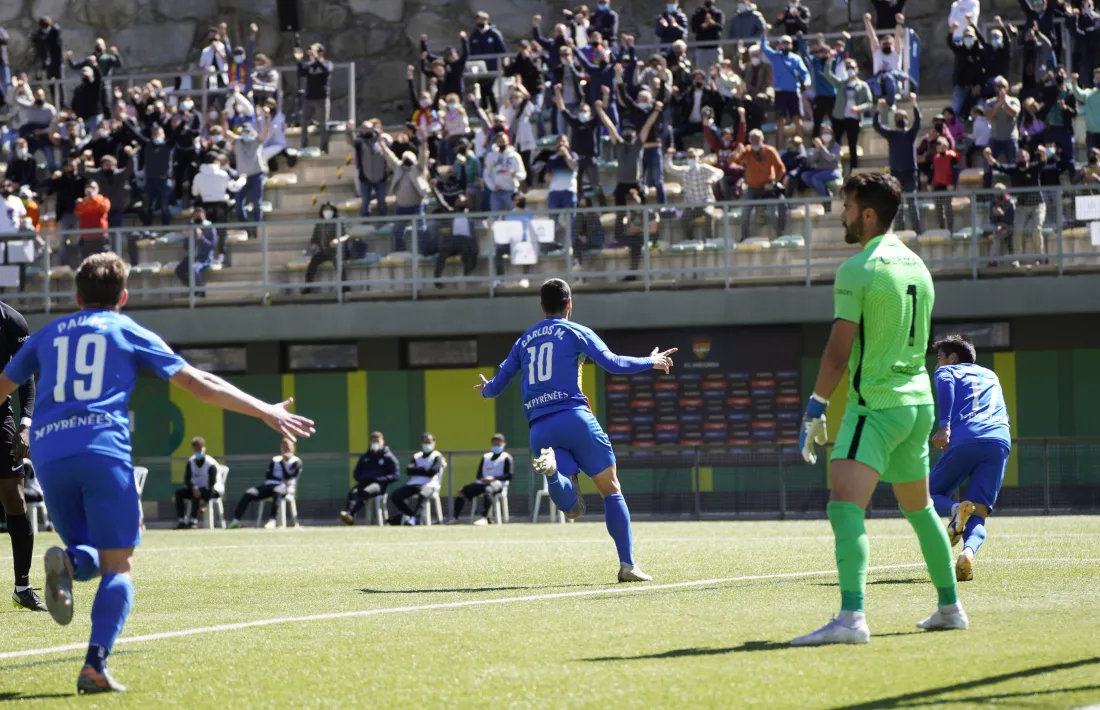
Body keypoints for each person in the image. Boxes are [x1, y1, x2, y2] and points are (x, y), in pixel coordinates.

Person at [0, 253, 312, 692]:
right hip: (101, 449)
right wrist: (264, 410)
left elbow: (3, 386)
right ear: (124, 296)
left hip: (50, 454)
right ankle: (94, 666)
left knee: (90, 553)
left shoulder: (47, 334)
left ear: (76, 295)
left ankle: (70, 562)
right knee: (119, 565)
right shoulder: (126, 330)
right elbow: (198, 383)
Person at [794, 173, 967, 646]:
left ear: (868, 214)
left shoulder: (858, 268)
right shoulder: (918, 266)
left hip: (875, 406)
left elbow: (836, 352)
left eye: (847, 206)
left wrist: (815, 408)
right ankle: (950, 607)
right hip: (918, 405)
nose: (842, 215)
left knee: (844, 507)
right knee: (921, 508)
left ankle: (851, 619)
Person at [476, 279, 677, 582]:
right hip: (575, 419)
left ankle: (553, 473)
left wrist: (484, 390)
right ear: (569, 304)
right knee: (611, 490)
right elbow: (614, 363)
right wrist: (651, 361)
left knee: (573, 509)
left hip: (540, 429)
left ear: (542, 307)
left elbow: (496, 387)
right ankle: (628, 565)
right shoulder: (576, 331)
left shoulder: (524, 340)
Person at [927, 335, 1011, 583]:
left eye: (939, 358)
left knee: (924, 497)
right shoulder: (991, 375)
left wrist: (944, 426)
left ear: (952, 357)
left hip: (967, 437)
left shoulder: (948, 371)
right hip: (999, 440)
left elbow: (945, 385)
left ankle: (956, 510)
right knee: (979, 512)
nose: (937, 364)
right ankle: (968, 553)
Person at [0, 300, 40, 612]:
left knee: (15, 497)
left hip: (0, 415)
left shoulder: (12, 321)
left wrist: (25, 424)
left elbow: (25, 375)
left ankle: (22, 588)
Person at [228, 439, 303, 529]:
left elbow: (289, 475)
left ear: (292, 447)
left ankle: (272, 521)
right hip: (269, 485)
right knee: (249, 492)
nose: (285, 448)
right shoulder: (275, 459)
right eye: (283, 446)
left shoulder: (296, 461)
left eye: (287, 446)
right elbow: (268, 475)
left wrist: (283, 463)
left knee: (277, 491)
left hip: (285, 488)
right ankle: (235, 521)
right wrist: (280, 477)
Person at [873, 94, 923, 232]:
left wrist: (914, 104)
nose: (900, 119)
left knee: (912, 201)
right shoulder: (891, 134)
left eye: (902, 117)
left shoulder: (910, 134)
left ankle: (917, 230)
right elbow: (877, 125)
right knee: (898, 202)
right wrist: (878, 110)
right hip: (896, 172)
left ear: (907, 120)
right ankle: (900, 229)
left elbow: (918, 121)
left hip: (910, 172)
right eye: (898, 117)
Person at [759, 33, 810, 150]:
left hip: (794, 92)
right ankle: (780, 148)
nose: (786, 45)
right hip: (780, 92)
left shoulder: (796, 58)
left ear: (791, 45)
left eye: (788, 43)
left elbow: (804, 72)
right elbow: (764, 47)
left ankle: (800, 147)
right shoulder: (775, 56)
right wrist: (764, 34)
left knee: (797, 119)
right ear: (780, 45)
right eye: (784, 43)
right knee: (780, 121)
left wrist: (807, 81)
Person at [449, 433, 514, 524]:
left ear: (504, 444)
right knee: (461, 491)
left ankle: (485, 517)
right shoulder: (485, 457)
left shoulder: (506, 457)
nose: (496, 446)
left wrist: (493, 478)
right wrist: (483, 479)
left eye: (498, 444)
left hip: (498, 484)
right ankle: (455, 518)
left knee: (488, 491)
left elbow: (509, 475)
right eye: (494, 444)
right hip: (482, 483)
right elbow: (479, 474)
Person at [340, 431, 400, 525]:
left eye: (377, 441)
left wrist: (381, 479)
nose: (375, 443)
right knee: (353, 492)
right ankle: (348, 514)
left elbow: (395, 475)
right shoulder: (365, 456)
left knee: (366, 492)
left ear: (383, 441)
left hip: (379, 485)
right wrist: (362, 479)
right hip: (364, 483)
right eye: (373, 441)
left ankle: (351, 514)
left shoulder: (388, 457)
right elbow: (356, 473)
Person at [826, 57, 873, 171]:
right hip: (839, 118)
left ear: (857, 69)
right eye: (848, 68)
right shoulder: (841, 84)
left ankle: (854, 170)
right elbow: (828, 75)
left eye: (852, 67)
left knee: (852, 145)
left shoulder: (863, 86)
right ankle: (835, 167)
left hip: (854, 119)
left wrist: (859, 108)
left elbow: (869, 103)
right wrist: (829, 61)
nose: (850, 70)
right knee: (836, 144)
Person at [388, 433, 446, 525]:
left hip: (430, 484)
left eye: (429, 442)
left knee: (422, 495)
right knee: (395, 496)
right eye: (425, 442)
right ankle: (412, 515)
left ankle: (415, 519)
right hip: (414, 483)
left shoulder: (437, 456)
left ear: (434, 443)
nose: (427, 444)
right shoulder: (417, 456)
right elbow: (409, 471)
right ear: (421, 443)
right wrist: (424, 469)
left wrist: (418, 470)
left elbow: (433, 471)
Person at [294, 43, 333, 154]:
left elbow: (326, 70)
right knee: (304, 123)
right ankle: (304, 145)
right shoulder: (309, 65)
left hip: (322, 98)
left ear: (321, 53)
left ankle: (324, 148)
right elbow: (301, 73)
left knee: (323, 124)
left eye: (315, 51)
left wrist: (316, 58)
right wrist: (299, 60)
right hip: (309, 98)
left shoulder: (327, 63)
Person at [173, 437, 220, 529]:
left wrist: (204, 504)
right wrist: (193, 487)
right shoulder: (191, 462)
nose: (197, 451)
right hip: (196, 489)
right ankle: (181, 521)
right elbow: (187, 479)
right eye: (195, 449)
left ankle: (193, 521)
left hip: (211, 491)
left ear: (204, 448)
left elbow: (212, 483)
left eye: (199, 449)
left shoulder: (211, 464)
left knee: (197, 493)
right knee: (179, 493)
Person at [864, 12, 909, 107]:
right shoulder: (877, 53)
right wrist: (867, 21)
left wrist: (899, 23)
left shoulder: (895, 53)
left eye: (889, 44)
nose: (886, 45)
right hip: (878, 84)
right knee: (867, 85)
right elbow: (872, 37)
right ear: (880, 45)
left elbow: (897, 36)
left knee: (888, 76)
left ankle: (891, 102)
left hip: (893, 85)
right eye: (884, 44)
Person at [304, 202, 348, 292]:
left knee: (338, 262)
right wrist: (314, 245)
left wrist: (337, 240)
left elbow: (345, 236)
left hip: (336, 251)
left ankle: (344, 286)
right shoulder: (320, 223)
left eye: (329, 209)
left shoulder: (338, 221)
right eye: (325, 210)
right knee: (313, 262)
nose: (327, 212)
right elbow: (314, 238)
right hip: (323, 251)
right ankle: (307, 286)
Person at [174, 207, 217, 296]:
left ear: (204, 216)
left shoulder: (210, 228)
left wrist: (201, 238)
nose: (197, 218)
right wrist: (186, 238)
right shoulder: (192, 227)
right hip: (191, 256)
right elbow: (186, 247)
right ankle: (195, 289)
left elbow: (211, 246)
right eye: (195, 216)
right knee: (179, 271)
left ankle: (201, 291)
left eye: (199, 216)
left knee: (194, 269)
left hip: (203, 258)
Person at [73, 181, 111, 259]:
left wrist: (93, 198)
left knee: (103, 261)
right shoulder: (81, 202)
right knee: (86, 261)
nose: (90, 190)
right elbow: (78, 212)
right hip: (86, 238)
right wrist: (85, 202)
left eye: (93, 188)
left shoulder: (104, 200)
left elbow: (104, 208)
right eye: (88, 188)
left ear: (98, 189)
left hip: (100, 237)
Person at [1070, 69, 1100, 152]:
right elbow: (1078, 93)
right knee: (1092, 157)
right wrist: (1074, 82)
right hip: (1091, 134)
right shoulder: (1088, 93)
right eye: (1097, 78)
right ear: (1094, 80)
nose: (1099, 80)